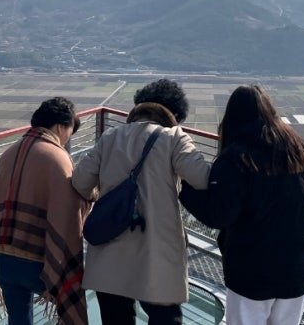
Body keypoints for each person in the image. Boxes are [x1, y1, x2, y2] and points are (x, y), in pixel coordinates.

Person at [72, 79, 211, 325]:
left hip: (109, 251)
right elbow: (202, 179)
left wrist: (103, 195)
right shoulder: (174, 138)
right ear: (175, 114)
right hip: (156, 253)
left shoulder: (110, 136)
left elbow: (80, 181)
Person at [180, 84, 304, 325]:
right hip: (298, 267)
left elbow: (218, 214)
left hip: (253, 270)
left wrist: (183, 188)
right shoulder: (299, 149)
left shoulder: (236, 158)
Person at [0, 97, 90, 325]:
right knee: (68, 305)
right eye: (71, 130)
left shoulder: (9, 152)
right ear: (60, 127)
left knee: (19, 318)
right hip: (37, 263)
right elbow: (70, 210)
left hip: (2, 259)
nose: (68, 138)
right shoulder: (58, 158)